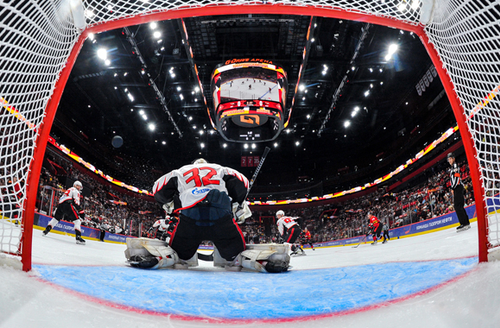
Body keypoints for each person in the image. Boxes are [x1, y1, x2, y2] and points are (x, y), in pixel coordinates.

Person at [126, 159, 290, 273]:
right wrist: (237, 203)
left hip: (191, 216)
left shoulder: (180, 171)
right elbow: (243, 183)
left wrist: (169, 204)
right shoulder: (221, 168)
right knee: (234, 255)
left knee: (180, 254)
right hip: (220, 215)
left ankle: (158, 258)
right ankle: (262, 260)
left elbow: (157, 189)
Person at [42, 180, 86, 245]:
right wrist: (81, 212)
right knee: (77, 221)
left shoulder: (69, 190)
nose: (79, 188)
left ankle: (46, 230)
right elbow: (76, 202)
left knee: (56, 219)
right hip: (67, 205)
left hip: (60, 205)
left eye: (79, 186)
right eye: (78, 186)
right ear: (75, 185)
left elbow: (61, 199)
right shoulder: (76, 191)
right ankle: (78, 237)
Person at [447, 152, 471, 231]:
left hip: (457, 187)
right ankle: (466, 222)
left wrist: (453, 188)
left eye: (450, 159)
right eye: (448, 159)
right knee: (459, 205)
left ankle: (463, 223)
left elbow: (457, 178)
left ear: (453, 158)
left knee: (457, 206)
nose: (449, 160)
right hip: (457, 187)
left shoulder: (455, 166)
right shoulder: (453, 167)